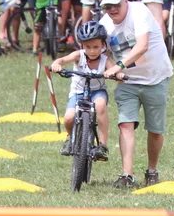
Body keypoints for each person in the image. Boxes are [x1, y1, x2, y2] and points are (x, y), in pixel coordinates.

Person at [98, 0, 174, 189]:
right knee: (125, 124)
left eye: (116, 5)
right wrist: (112, 68)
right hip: (127, 82)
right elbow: (100, 52)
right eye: (108, 6)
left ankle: (152, 170)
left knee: (155, 129)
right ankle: (127, 174)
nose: (112, 10)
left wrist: (119, 66)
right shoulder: (104, 24)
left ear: (126, 1)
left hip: (155, 78)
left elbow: (142, 45)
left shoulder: (139, 11)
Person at [51, 20, 122, 161]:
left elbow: (115, 71)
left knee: (100, 106)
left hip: (97, 91)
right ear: (82, 45)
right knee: (69, 118)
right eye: (88, 47)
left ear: (103, 45)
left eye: (96, 47)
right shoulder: (78, 56)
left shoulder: (104, 60)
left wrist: (117, 75)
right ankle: (70, 138)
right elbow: (62, 60)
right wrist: (56, 64)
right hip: (78, 92)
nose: (92, 51)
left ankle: (102, 145)